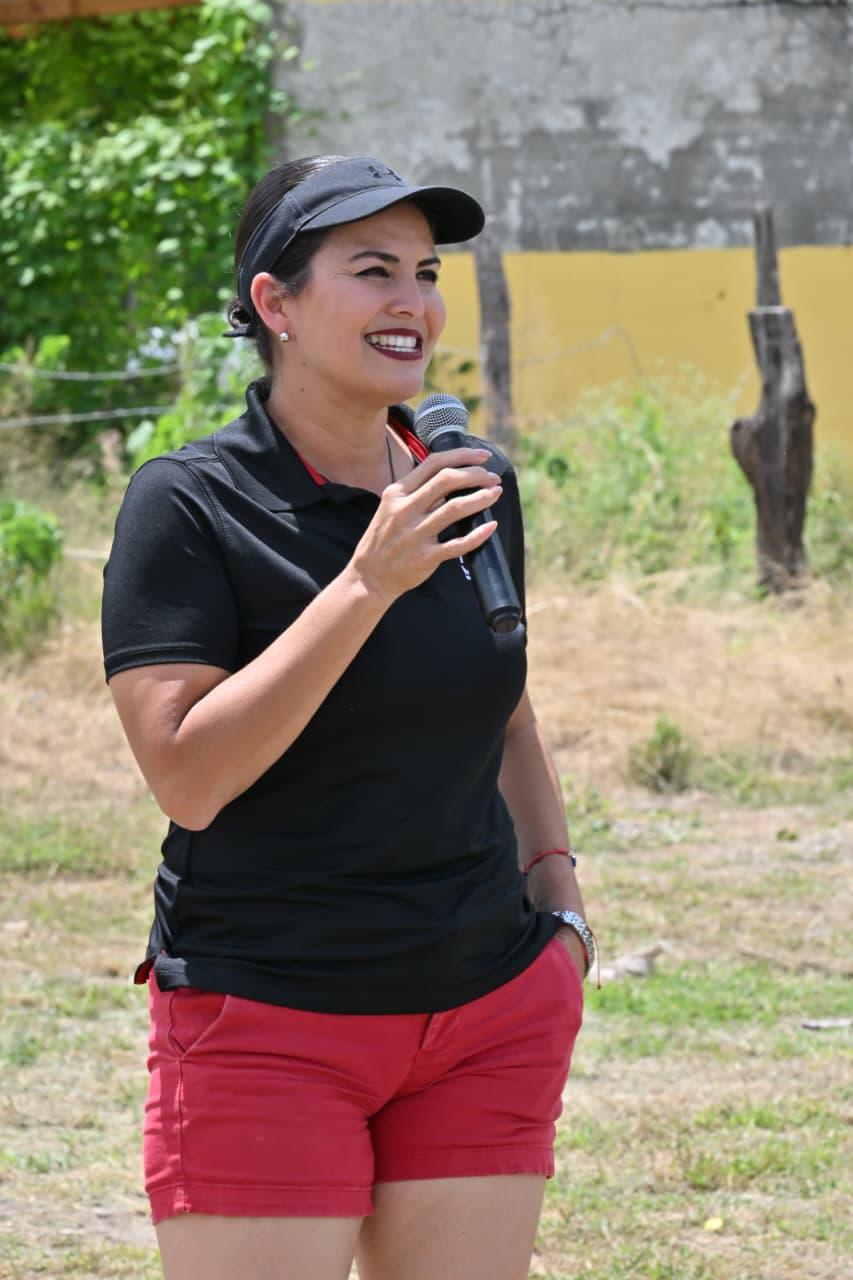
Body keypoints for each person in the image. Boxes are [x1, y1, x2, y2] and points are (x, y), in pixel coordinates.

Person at [101, 154, 596, 1280]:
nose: (412, 302)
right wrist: (366, 581)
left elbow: (502, 703)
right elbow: (187, 775)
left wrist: (557, 902)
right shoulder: (187, 502)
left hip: (485, 1011)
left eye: (425, 271)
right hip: (270, 1014)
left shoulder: (471, 481)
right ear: (274, 304)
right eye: (371, 270)